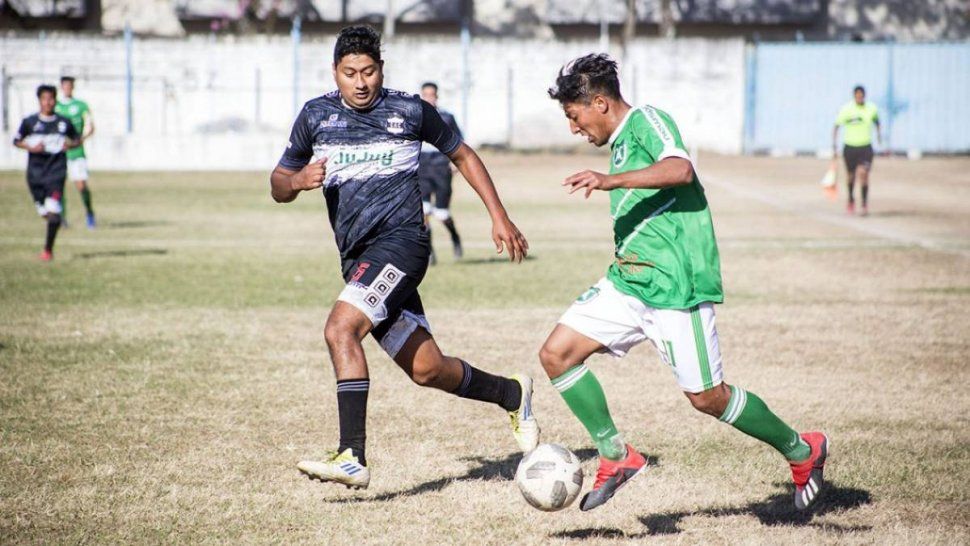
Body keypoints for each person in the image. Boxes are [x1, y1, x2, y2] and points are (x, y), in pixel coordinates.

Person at [541, 54, 828, 512]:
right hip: (629, 281)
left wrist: (610, 181)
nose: (574, 128)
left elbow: (680, 170)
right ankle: (617, 456)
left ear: (599, 102)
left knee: (707, 398)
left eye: (574, 117)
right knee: (556, 353)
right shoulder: (616, 143)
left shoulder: (646, 121)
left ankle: (802, 449)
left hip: (676, 288)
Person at [269, 26, 538, 490]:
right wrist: (295, 183)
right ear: (335, 73)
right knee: (427, 369)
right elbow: (278, 181)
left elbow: (463, 154)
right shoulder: (315, 116)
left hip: (404, 245)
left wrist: (499, 216)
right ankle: (511, 393)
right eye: (349, 73)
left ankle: (352, 454)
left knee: (340, 328)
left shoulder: (410, 110)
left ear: (380, 70)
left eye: (368, 71)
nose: (360, 82)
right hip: (358, 260)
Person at [13, 84, 80, 261]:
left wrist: (70, 144)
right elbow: (17, 140)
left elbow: (77, 139)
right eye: (44, 99)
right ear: (39, 101)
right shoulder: (30, 122)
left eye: (51, 99)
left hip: (56, 172)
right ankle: (47, 216)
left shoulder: (63, 123)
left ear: (55, 100)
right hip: (35, 174)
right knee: (45, 212)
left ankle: (47, 250)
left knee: (55, 215)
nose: (48, 102)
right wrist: (30, 147)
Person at [417, 82, 463, 263]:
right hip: (422, 169)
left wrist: (455, 162)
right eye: (425, 95)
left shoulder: (447, 117)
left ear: (437, 96)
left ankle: (455, 237)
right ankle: (429, 252)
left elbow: (460, 141)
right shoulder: (415, 116)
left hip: (441, 167)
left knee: (442, 213)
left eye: (432, 95)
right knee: (424, 212)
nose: (429, 98)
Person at [54, 76, 96, 228]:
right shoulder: (55, 107)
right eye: (64, 86)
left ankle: (90, 212)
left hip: (77, 152)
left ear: (72, 87)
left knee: (81, 186)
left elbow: (91, 128)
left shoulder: (81, 106)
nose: (67, 88)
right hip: (59, 153)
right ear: (61, 87)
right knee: (59, 186)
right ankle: (62, 218)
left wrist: (80, 140)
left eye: (69, 86)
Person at [833, 85, 881, 216]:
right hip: (850, 147)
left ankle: (864, 203)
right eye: (857, 95)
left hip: (865, 147)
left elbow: (877, 122)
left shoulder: (871, 109)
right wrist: (834, 145)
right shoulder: (846, 109)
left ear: (864, 96)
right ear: (854, 96)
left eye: (861, 95)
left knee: (863, 174)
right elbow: (836, 126)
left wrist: (879, 136)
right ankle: (850, 199)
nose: (859, 97)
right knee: (850, 176)